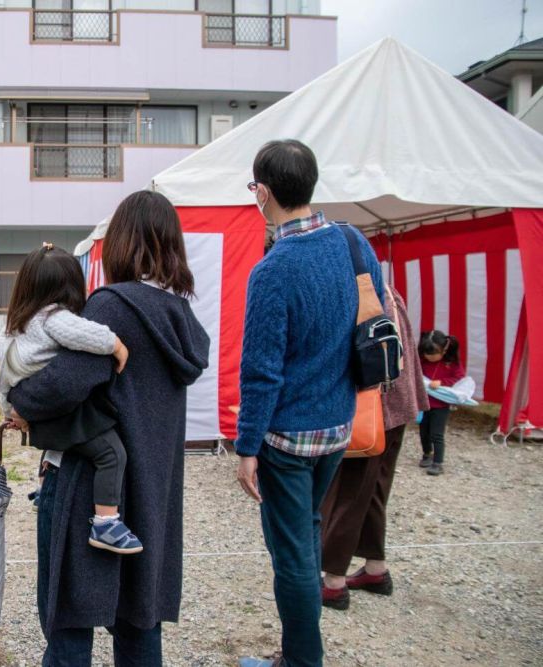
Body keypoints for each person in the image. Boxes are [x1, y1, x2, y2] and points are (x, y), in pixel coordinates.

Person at [7, 190, 210, 666]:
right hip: (153, 490)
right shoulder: (180, 316)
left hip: (86, 485)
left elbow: (63, 385)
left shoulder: (112, 307)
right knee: (140, 620)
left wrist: (20, 402)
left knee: (71, 619)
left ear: (119, 243)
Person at [234, 140, 384, 667]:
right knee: (308, 533)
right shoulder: (352, 243)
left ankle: (301, 660)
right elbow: (372, 318)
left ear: (264, 192)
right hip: (339, 424)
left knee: (293, 555)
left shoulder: (274, 269)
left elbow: (261, 371)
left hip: (287, 437)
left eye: (253, 187)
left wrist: (245, 446)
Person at [0, 243, 139, 554]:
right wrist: (117, 345)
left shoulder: (15, 323)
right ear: (70, 285)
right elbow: (91, 335)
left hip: (28, 402)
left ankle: (42, 488)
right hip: (58, 410)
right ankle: (106, 524)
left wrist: (9, 409)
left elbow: (3, 375)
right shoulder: (53, 316)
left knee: (56, 448)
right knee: (111, 453)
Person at [319, 285, 429, 610]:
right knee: (374, 489)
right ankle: (375, 569)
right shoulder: (386, 290)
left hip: (373, 408)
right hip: (399, 403)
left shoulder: (355, 295)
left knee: (347, 493)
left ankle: (333, 581)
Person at [418, 330, 464, 476]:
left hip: (441, 405)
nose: (429, 357)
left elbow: (460, 378)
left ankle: (438, 462)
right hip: (424, 403)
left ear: (443, 350)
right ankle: (427, 454)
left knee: (436, 434)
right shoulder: (422, 360)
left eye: (433, 354)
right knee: (423, 431)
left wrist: (443, 383)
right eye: (427, 354)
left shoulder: (451, 363)